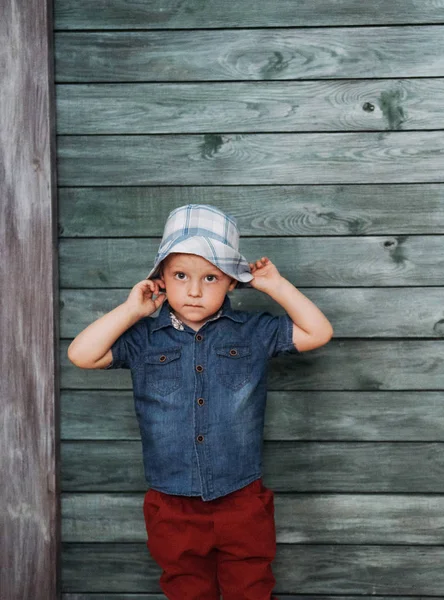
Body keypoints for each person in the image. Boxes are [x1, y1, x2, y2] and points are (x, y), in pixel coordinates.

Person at [68, 204, 334, 600]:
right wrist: (131, 310)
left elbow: (318, 332)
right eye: (180, 276)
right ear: (160, 278)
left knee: (251, 588)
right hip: (171, 501)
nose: (194, 290)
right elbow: (81, 354)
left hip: (240, 495)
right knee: (186, 589)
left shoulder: (253, 332)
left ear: (231, 282)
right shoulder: (143, 339)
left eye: (210, 277)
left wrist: (276, 286)